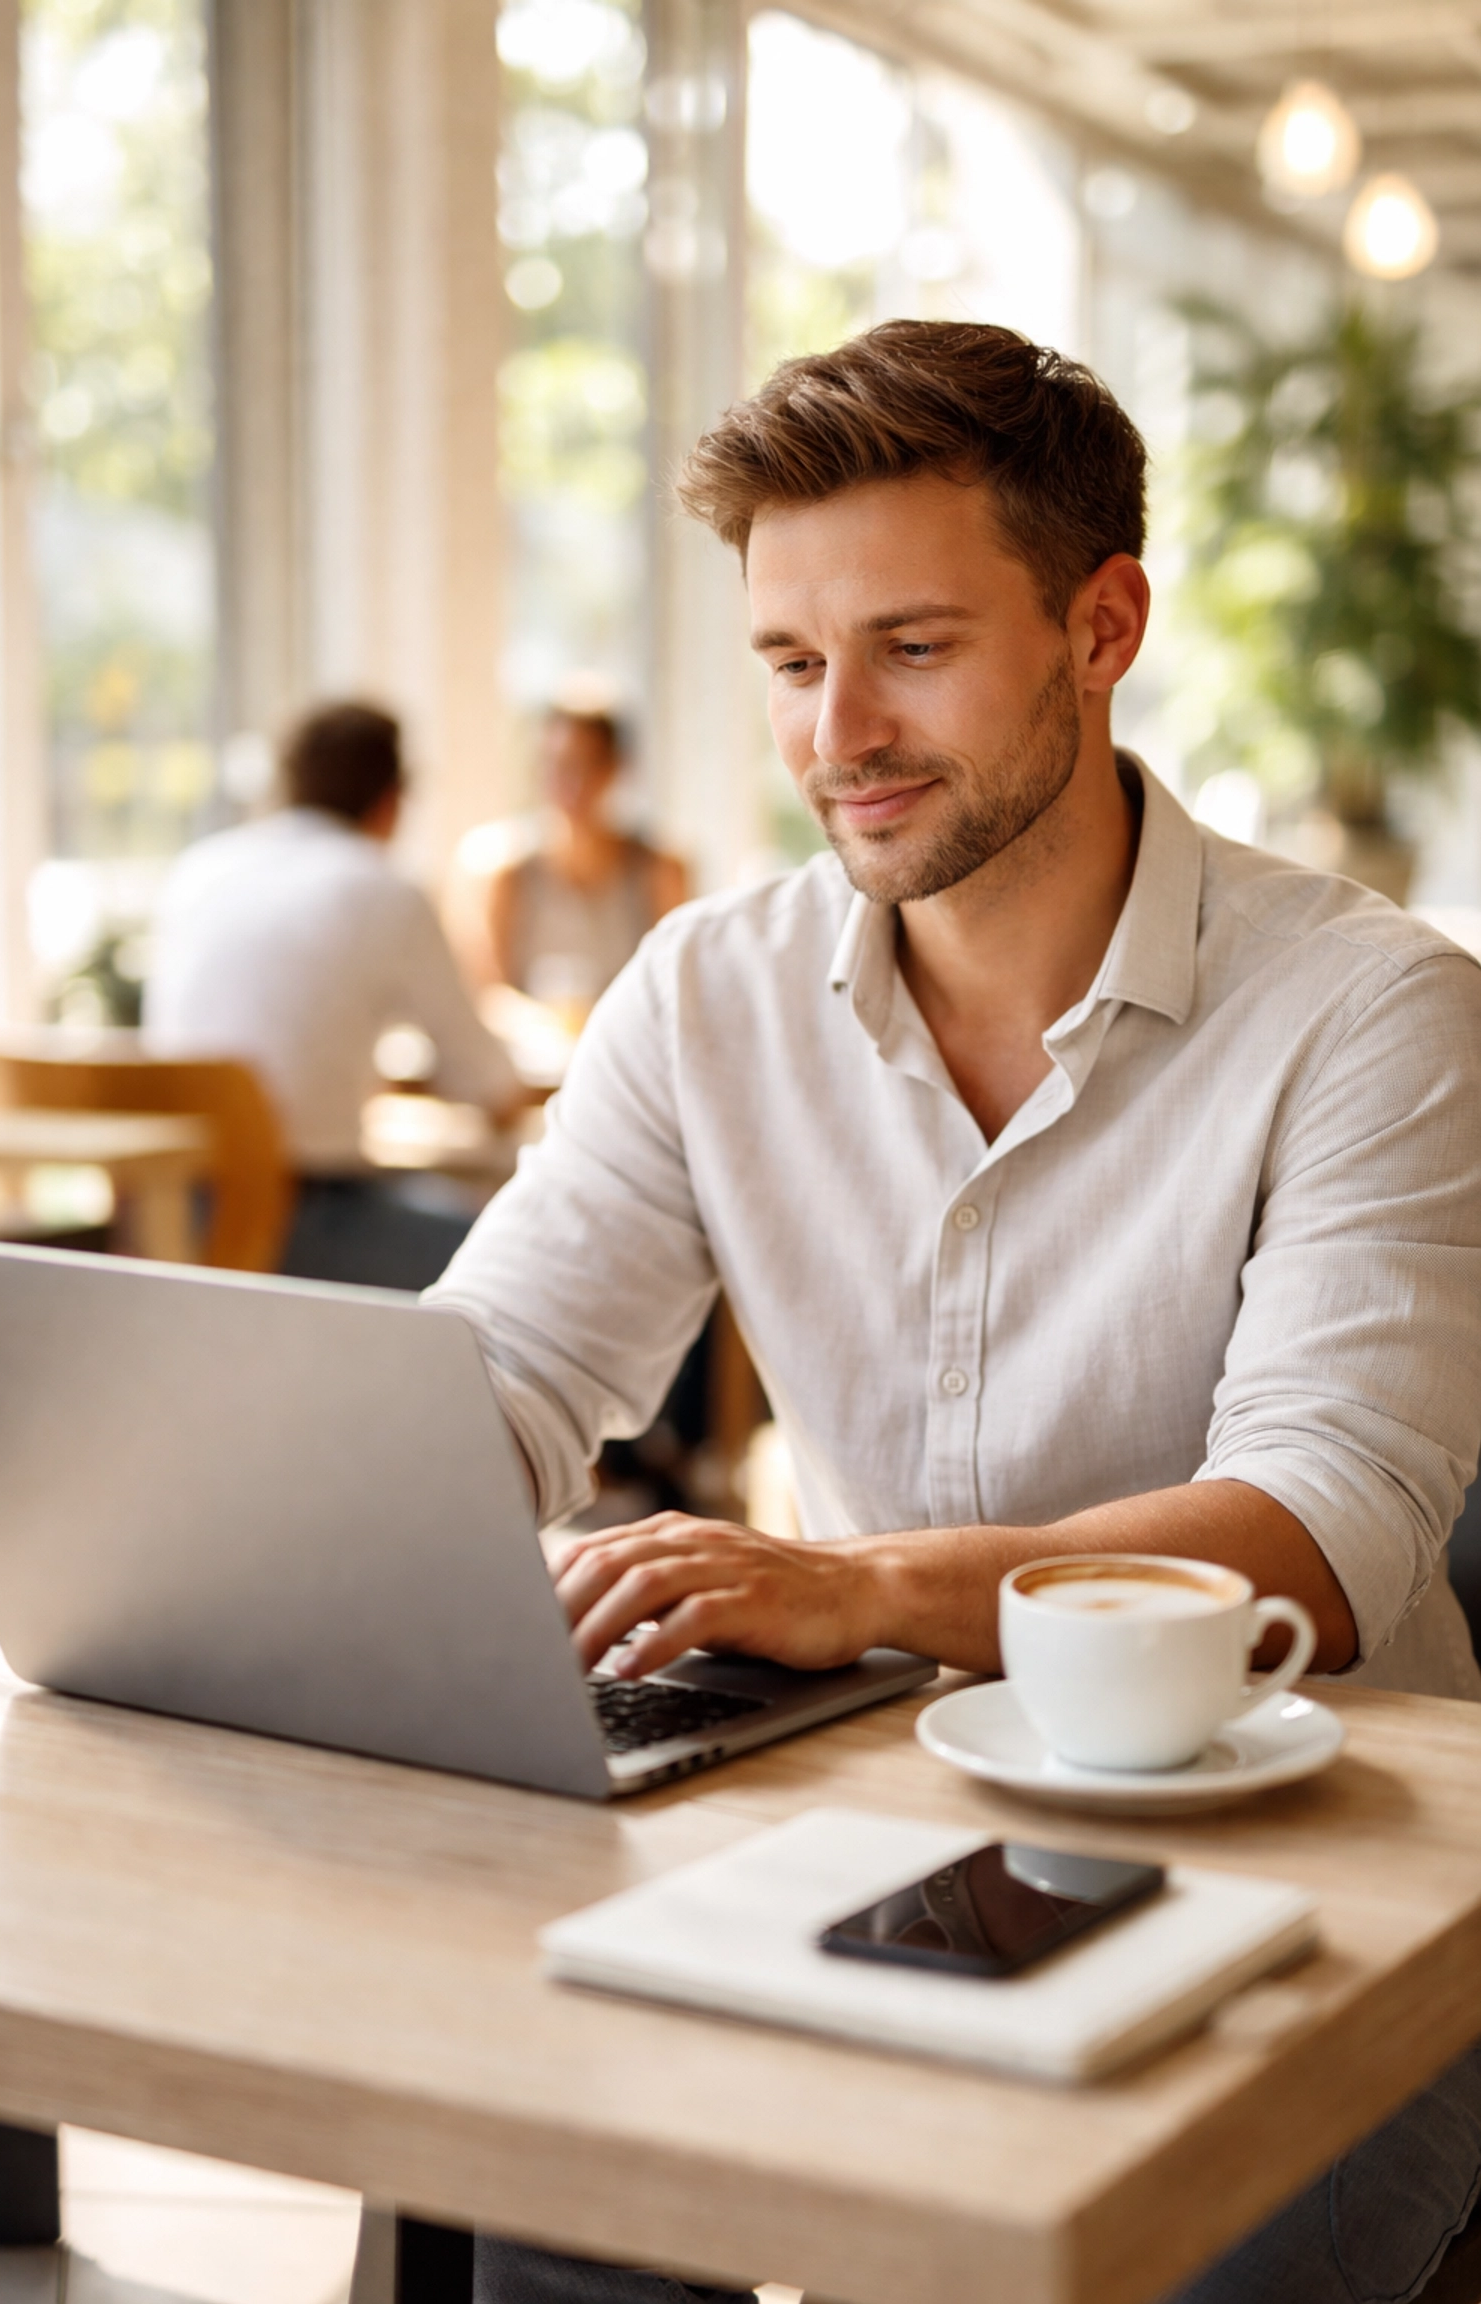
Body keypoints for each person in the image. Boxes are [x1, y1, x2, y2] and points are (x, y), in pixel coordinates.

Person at [430, 322, 1481, 2303]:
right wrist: (312, 1510)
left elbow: (1316, 1541)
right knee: (570, 2199)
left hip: (1329, 1887)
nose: (839, 733)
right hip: (884, 1830)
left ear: (1104, 627)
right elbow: (504, 1374)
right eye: (792, 663)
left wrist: (860, 1589)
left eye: (912, 647)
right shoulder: (702, 994)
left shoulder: (1374, 1011)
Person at [145, 700, 522, 1292]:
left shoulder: (200, 869)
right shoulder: (383, 890)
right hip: (296, 1225)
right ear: (392, 799)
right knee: (524, 1267)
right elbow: (490, 1084)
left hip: (167, 1221)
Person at [485, 706, 688, 1020]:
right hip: (537, 1057)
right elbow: (489, 993)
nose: (571, 783)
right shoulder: (506, 874)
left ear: (615, 769)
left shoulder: (660, 870)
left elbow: (677, 984)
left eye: (585, 765)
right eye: (555, 766)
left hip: (629, 1050)